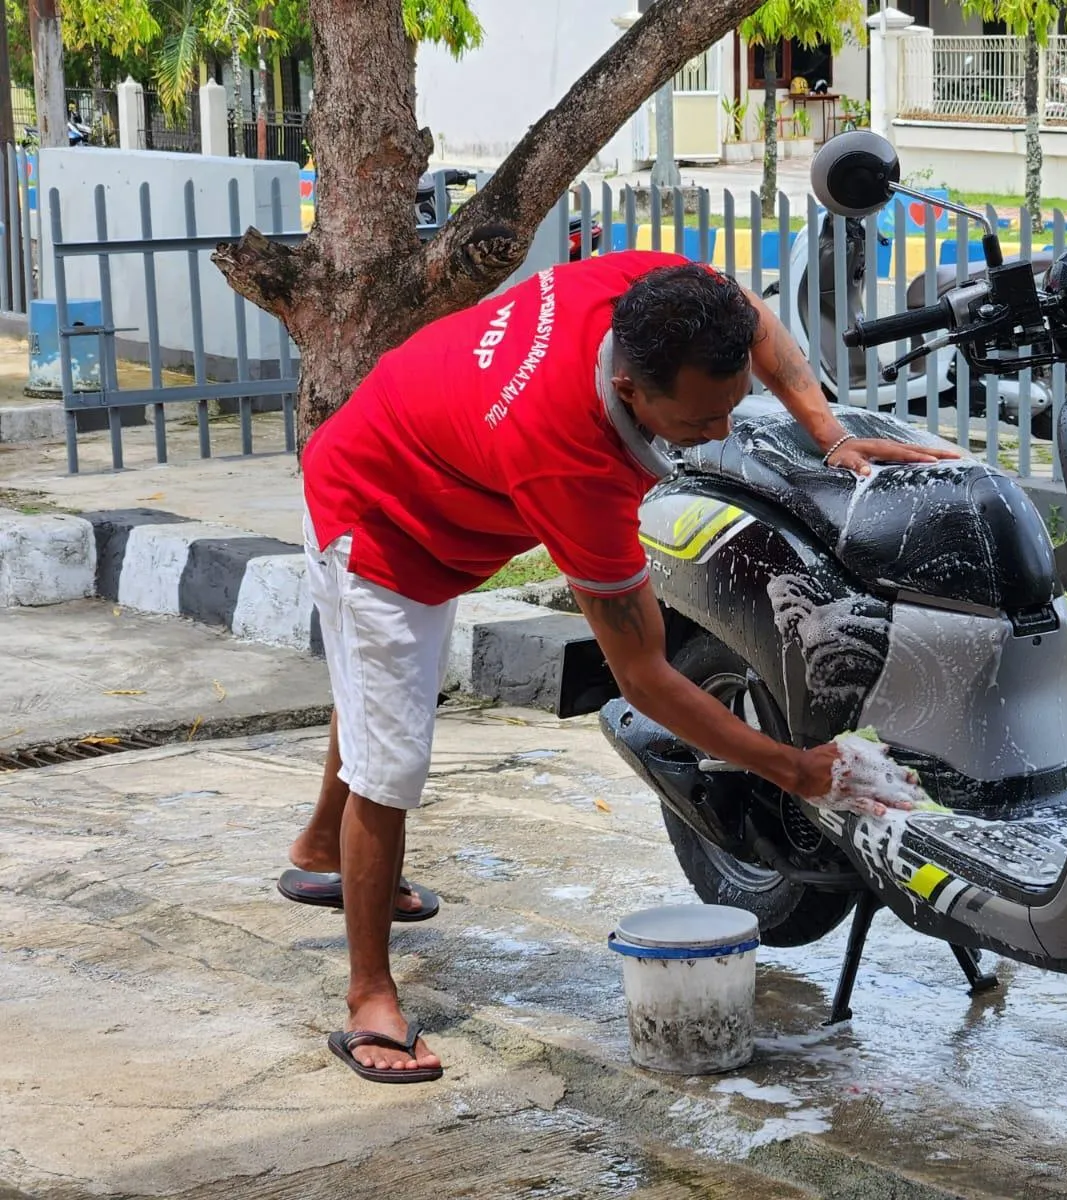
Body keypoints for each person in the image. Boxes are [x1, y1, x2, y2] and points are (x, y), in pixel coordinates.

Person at [278, 250, 956, 1083]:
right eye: (700, 424)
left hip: (426, 449)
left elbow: (752, 315)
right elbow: (644, 677)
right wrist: (795, 769)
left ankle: (321, 850)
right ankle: (369, 998)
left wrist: (829, 429)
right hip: (377, 519)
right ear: (632, 391)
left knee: (377, 690)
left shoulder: (652, 295)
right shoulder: (570, 461)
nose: (721, 434)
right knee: (395, 759)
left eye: (730, 407)